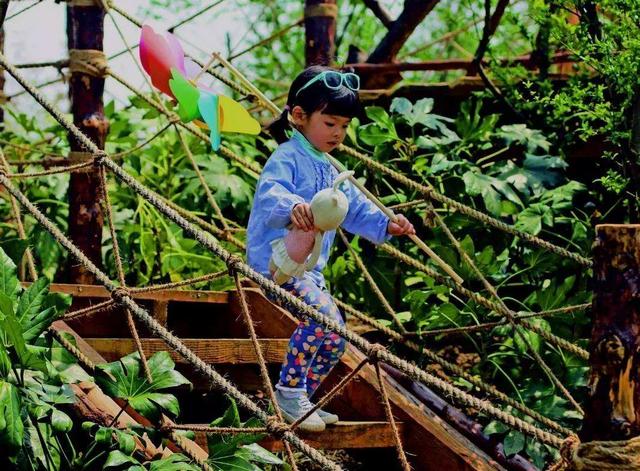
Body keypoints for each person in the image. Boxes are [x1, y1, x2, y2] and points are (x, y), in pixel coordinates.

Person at [246, 65, 415, 432]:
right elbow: (270, 194)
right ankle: (288, 392)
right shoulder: (287, 157)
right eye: (330, 124)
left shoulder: (331, 166)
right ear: (299, 116)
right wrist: (294, 206)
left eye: (344, 126)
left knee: (336, 337)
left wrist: (388, 224)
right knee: (323, 322)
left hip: (310, 270)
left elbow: (355, 209)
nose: (338, 133)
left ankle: (304, 398)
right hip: (278, 262)